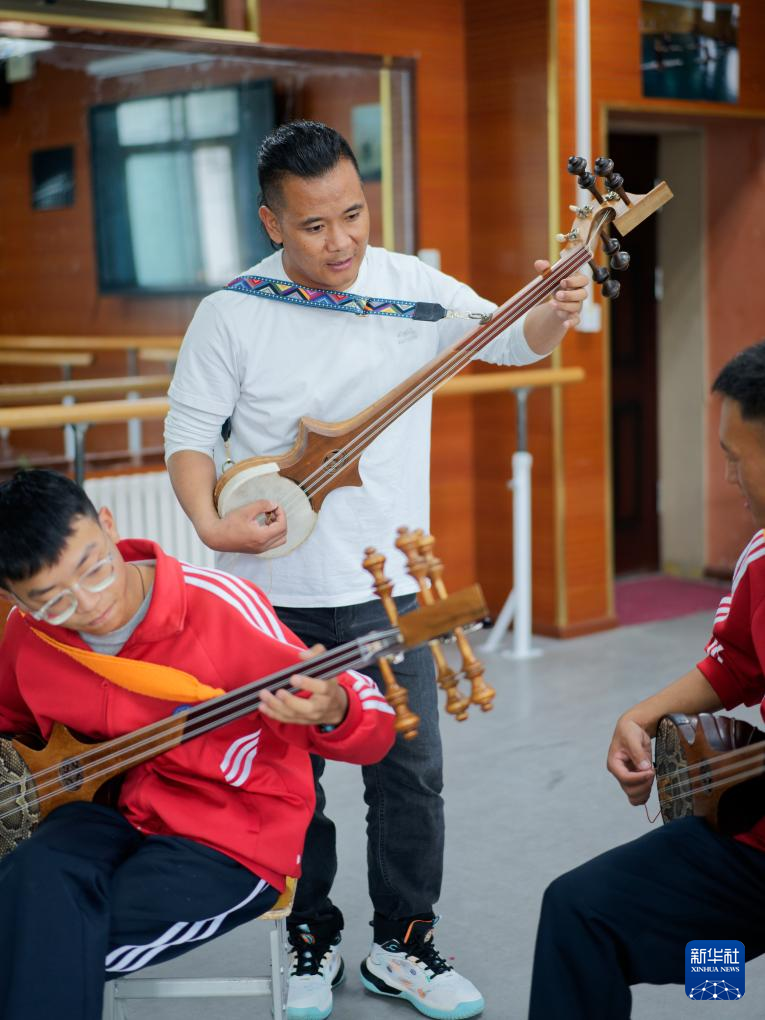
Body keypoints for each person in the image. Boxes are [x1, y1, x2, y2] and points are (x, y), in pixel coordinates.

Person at [164, 119, 588, 1020]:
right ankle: (309, 935)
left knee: (411, 772)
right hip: (268, 594)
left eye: (353, 214)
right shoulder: (231, 312)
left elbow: (510, 340)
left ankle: (403, 943)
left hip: (396, 586)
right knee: (291, 781)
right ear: (272, 222)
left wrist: (557, 305)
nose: (341, 242)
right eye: (314, 224)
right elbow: (189, 432)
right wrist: (208, 522)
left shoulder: (410, 288)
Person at [0, 468, 395, 1020]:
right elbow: (11, 720)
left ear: (108, 525)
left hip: (230, 829)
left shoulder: (217, 608)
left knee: (40, 941)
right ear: (14, 599)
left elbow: (375, 726)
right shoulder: (30, 634)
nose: (88, 604)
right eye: (53, 601)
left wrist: (337, 709)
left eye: (95, 570)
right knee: (29, 883)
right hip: (101, 807)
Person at [528, 339, 765, 1019]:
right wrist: (639, 716)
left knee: (718, 960)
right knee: (581, 913)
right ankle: (715, 974)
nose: (728, 476)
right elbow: (736, 662)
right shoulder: (760, 557)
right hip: (755, 846)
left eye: (735, 456)